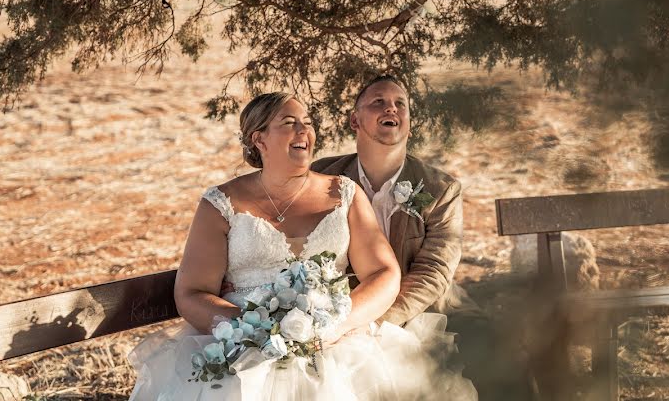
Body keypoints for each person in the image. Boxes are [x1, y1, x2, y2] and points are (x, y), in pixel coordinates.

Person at [127, 92, 477, 400]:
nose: (304, 131)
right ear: (259, 139)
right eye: (290, 122)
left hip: (339, 343)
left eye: (308, 123)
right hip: (243, 346)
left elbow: (384, 273)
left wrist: (339, 324)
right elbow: (191, 292)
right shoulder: (221, 203)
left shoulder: (344, 193)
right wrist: (255, 330)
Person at [311, 75, 475, 326]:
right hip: (339, 313)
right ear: (355, 120)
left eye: (401, 104)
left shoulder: (441, 190)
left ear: (409, 124)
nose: (391, 108)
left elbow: (433, 271)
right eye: (378, 101)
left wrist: (374, 325)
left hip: (423, 316)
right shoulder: (322, 177)